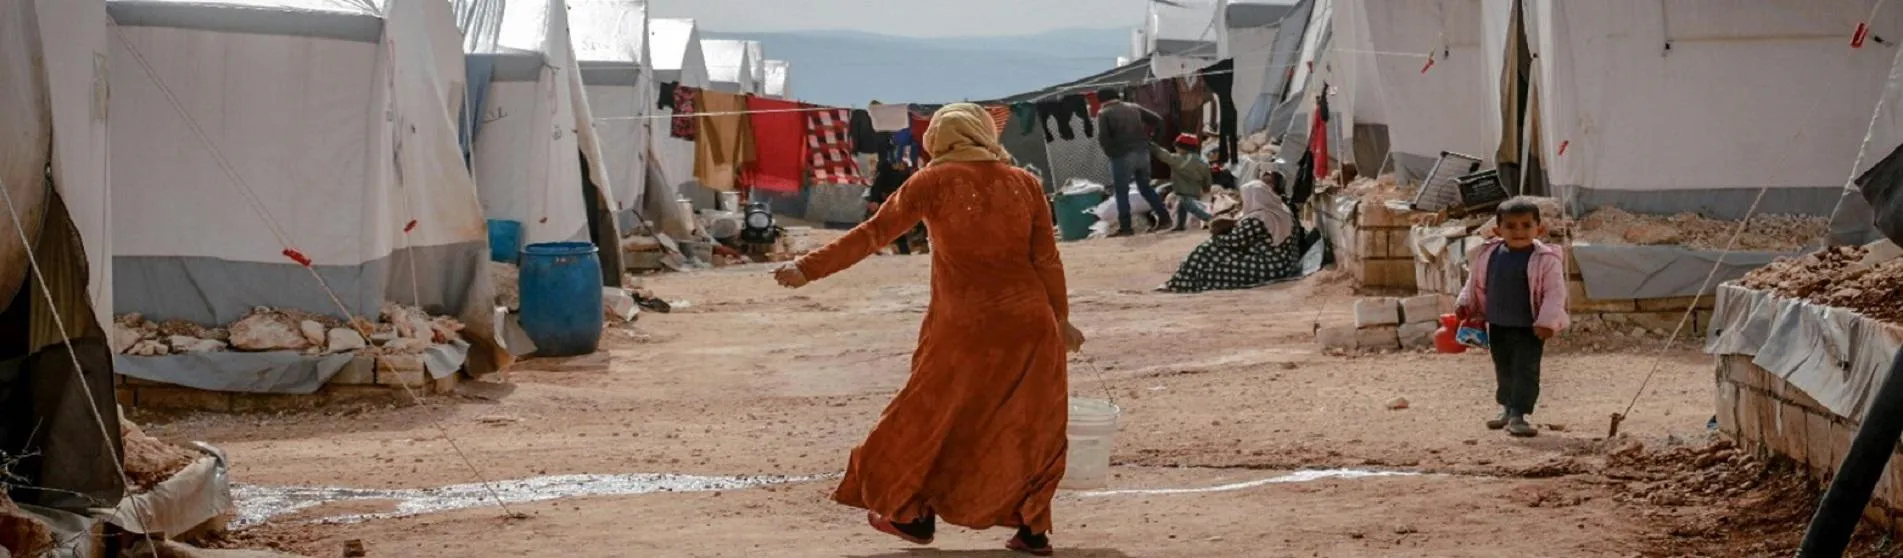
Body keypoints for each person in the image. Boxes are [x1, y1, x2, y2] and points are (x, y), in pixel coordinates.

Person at [773, 103, 1085, 556]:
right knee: (1026, 424)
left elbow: (873, 234)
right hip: (1029, 324)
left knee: (923, 417)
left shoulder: (932, 181)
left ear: (938, 138)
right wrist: (1061, 319)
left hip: (963, 328)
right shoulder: (1026, 183)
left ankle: (911, 514)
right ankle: (1033, 528)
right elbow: (1046, 260)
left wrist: (807, 268)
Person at [1454, 197, 1570, 438]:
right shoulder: (1489, 253)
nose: (1519, 231)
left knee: (1525, 369)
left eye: (1526, 225)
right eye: (1511, 226)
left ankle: (1519, 413)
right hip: (1497, 323)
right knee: (1503, 368)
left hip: (1530, 328)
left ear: (1540, 229)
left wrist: (1547, 322)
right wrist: (1464, 302)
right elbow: (1475, 281)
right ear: (1498, 229)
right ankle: (1506, 408)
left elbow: (1555, 293)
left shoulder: (1546, 259)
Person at [1160, 178, 1307, 292]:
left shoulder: (1259, 218)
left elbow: (1234, 242)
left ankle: (1182, 282)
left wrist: (1218, 234)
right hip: (1285, 262)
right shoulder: (1282, 211)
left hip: (1269, 267)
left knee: (1208, 251)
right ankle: (1182, 281)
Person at [1094, 88, 1169, 236]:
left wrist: (1112, 154)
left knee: (1121, 192)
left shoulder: (1104, 113)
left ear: (1101, 100)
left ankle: (1126, 227)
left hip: (1121, 156)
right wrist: (1153, 142)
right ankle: (1165, 218)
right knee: (1146, 188)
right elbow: (1158, 121)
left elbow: (1104, 138)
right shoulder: (1134, 107)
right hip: (1143, 153)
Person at [1149, 133, 1213, 232]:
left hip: (1186, 188)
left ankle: (1211, 219)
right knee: (1182, 206)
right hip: (1194, 187)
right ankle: (1180, 225)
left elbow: (1166, 156)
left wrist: (1153, 146)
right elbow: (1207, 174)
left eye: (1177, 146)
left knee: (1191, 207)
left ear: (1183, 147)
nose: (1175, 148)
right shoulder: (1200, 160)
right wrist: (1206, 187)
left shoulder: (1182, 159)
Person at [865, 157, 922, 254]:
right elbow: (878, 183)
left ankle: (904, 249)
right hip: (883, 199)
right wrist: (874, 199)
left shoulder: (911, 165)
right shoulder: (887, 164)